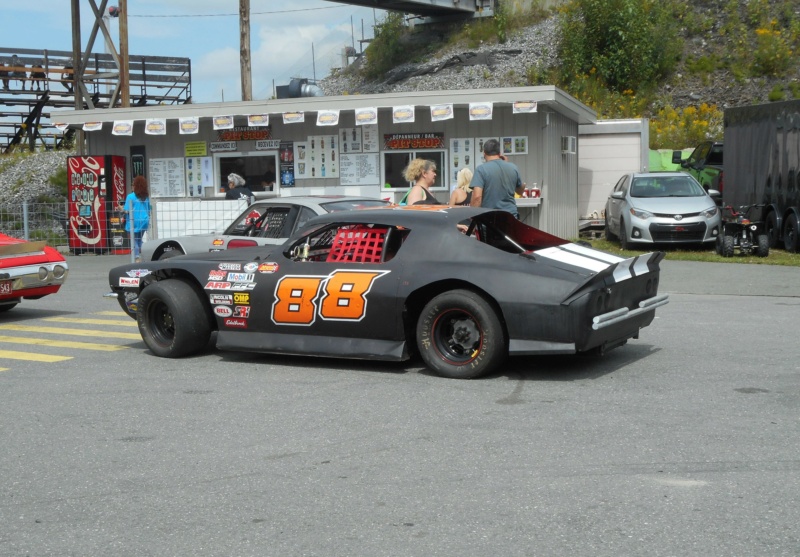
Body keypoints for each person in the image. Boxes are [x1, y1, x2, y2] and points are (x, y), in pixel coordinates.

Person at [469, 138, 521, 218]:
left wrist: (471, 216)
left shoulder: (481, 170)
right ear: (500, 153)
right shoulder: (513, 167)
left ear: (484, 153)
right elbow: (519, 191)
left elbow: (477, 197)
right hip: (511, 217)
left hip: (490, 218)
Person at [123, 175, 151, 262]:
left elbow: (127, 211)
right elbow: (149, 209)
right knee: (139, 240)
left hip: (134, 222)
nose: (132, 185)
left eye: (133, 184)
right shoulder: (145, 197)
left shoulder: (130, 196)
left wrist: (120, 208)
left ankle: (137, 257)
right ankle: (146, 254)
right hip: (144, 221)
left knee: (133, 240)